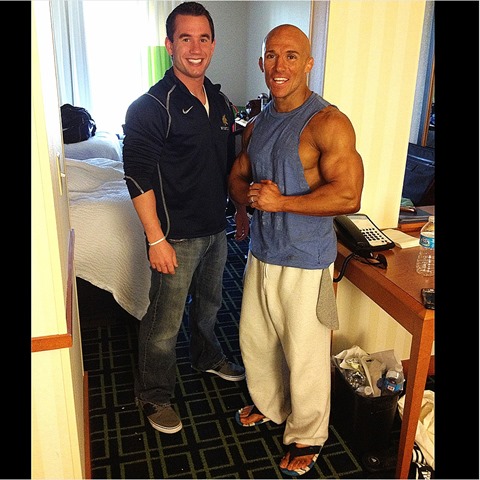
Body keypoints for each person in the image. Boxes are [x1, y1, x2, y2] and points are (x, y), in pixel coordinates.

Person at [228, 24, 364, 476]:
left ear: (308, 63)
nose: (279, 65)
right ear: (261, 62)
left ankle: (308, 433)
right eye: (271, 55)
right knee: (257, 339)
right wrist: (246, 201)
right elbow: (238, 174)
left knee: (305, 353)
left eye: (291, 56)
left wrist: (281, 202)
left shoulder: (328, 122)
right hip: (262, 253)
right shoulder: (259, 122)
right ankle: (270, 404)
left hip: (306, 260)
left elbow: (349, 195)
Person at [122, 1, 249, 435]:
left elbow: (229, 165)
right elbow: (136, 175)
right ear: (169, 45)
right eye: (185, 38)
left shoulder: (221, 101)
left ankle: (206, 356)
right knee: (164, 323)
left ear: (213, 44)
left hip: (215, 229)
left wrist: (239, 212)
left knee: (210, 305)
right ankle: (153, 394)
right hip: (174, 236)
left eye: (203, 38)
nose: (195, 48)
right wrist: (155, 239)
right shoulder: (151, 106)